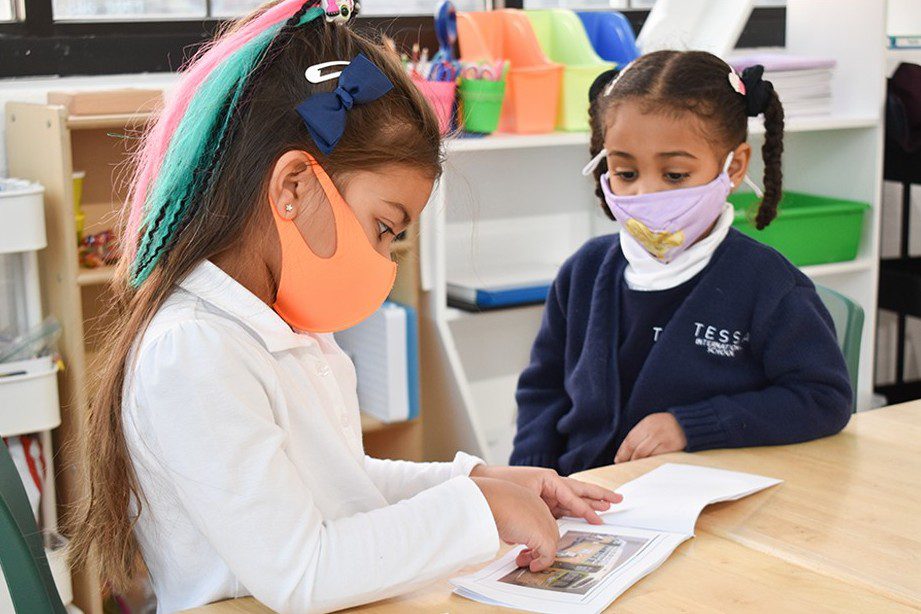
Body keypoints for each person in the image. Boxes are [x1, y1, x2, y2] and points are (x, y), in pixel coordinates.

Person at [67, 3, 620, 612]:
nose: (386, 261)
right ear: (294, 187)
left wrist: (476, 480)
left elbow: (340, 483)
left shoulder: (280, 327)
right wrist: (479, 507)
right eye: (384, 228)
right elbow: (303, 573)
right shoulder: (194, 351)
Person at [510, 50, 852, 476]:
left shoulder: (768, 286)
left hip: (701, 502)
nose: (645, 195)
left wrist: (691, 426)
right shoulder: (582, 273)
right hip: (584, 496)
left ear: (734, 167)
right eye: (626, 172)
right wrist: (532, 477)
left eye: (674, 175)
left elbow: (823, 398)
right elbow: (543, 393)